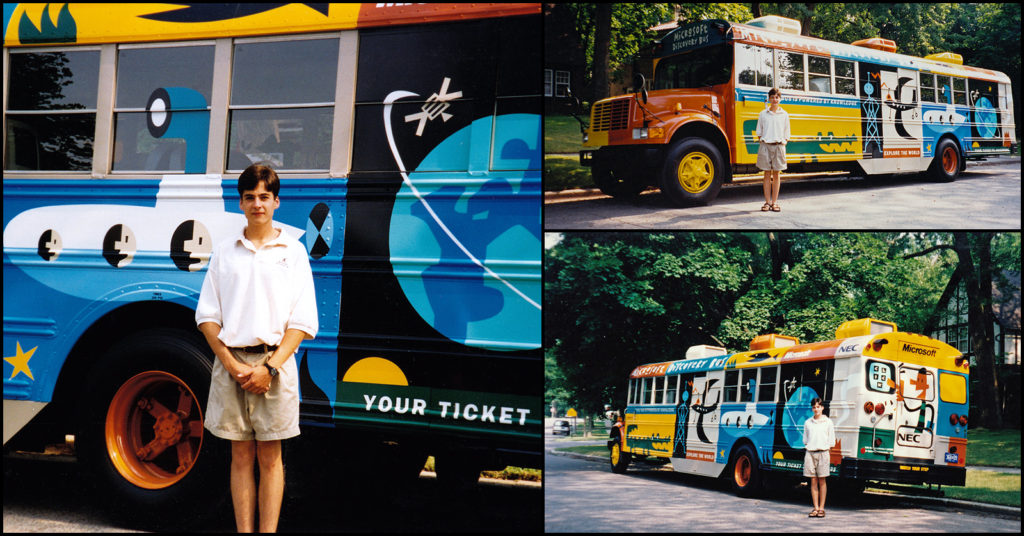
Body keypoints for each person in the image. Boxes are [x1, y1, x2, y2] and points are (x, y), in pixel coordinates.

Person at [196, 163, 318, 532]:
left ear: (277, 201)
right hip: (232, 364)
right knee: (239, 455)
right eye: (249, 197)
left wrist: (270, 368)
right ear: (241, 203)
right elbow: (207, 317)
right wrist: (232, 365)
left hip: (274, 364)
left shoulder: (293, 252)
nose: (257, 204)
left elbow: (302, 321)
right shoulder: (225, 252)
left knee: (270, 457)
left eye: (264, 196)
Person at [755, 88, 791, 212]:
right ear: (769, 99)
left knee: (776, 174)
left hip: (779, 146)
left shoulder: (784, 114)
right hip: (765, 145)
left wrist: (784, 142)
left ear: (780, 99)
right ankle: (766, 202)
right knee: (766, 173)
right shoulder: (763, 114)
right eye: (772, 97)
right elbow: (759, 131)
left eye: (777, 97)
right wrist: (764, 141)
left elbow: (787, 132)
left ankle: (774, 203)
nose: (774, 99)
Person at [803, 397, 835, 518]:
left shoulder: (828, 422)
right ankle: (815, 508)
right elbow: (805, 440)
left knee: (822, 480)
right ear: (812, 409)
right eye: (814, 407)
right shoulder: (808, 423)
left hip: (823, 453)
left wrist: (826, 452)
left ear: (822, 407)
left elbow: (831, 440)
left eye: (818, 407)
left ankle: (822, 508)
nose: (816, 409)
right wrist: (811, 447)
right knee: (813, 481)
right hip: (810, 453)